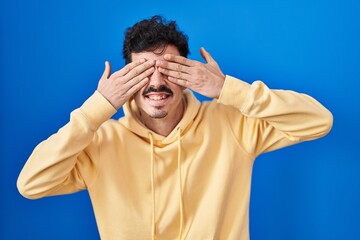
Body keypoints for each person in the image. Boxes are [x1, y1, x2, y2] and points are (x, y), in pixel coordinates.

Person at [17, 15, 333, 240]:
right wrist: (97, 107)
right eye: (142, 71)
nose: (156, 82)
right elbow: (30, 184)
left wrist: (227, 89)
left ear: (189, 77)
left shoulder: (230, 124)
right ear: (126, 79)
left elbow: (319, 120)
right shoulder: (101, 143)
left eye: (170, 69)